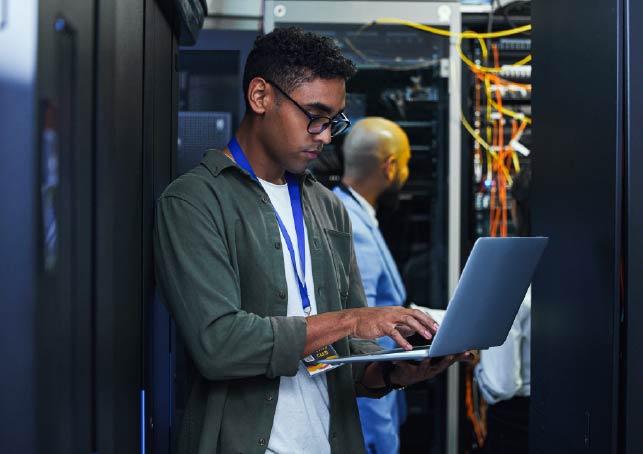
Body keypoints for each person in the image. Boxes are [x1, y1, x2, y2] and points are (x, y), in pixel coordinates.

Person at [154, 27, 472, 454]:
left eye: (334, 121)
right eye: (316, 116)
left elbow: (347, 361)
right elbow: (219, 346)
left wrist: (399, 371)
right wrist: (351, 319)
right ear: (261, 96)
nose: (325, 136)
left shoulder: (327, 207)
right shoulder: (194, 201)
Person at [332, 117, 412, 454]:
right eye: (406, 164)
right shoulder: (353, 227)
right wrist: (380, 438)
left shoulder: (347, 212)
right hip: (369, 419)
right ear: (390, 167)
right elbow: (364, 338)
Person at [474, 169, 532, 454]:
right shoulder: (597, 271)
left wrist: (477, 358)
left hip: (518, 432)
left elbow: (501, 385)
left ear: (515, 207)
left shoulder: (508, 279)